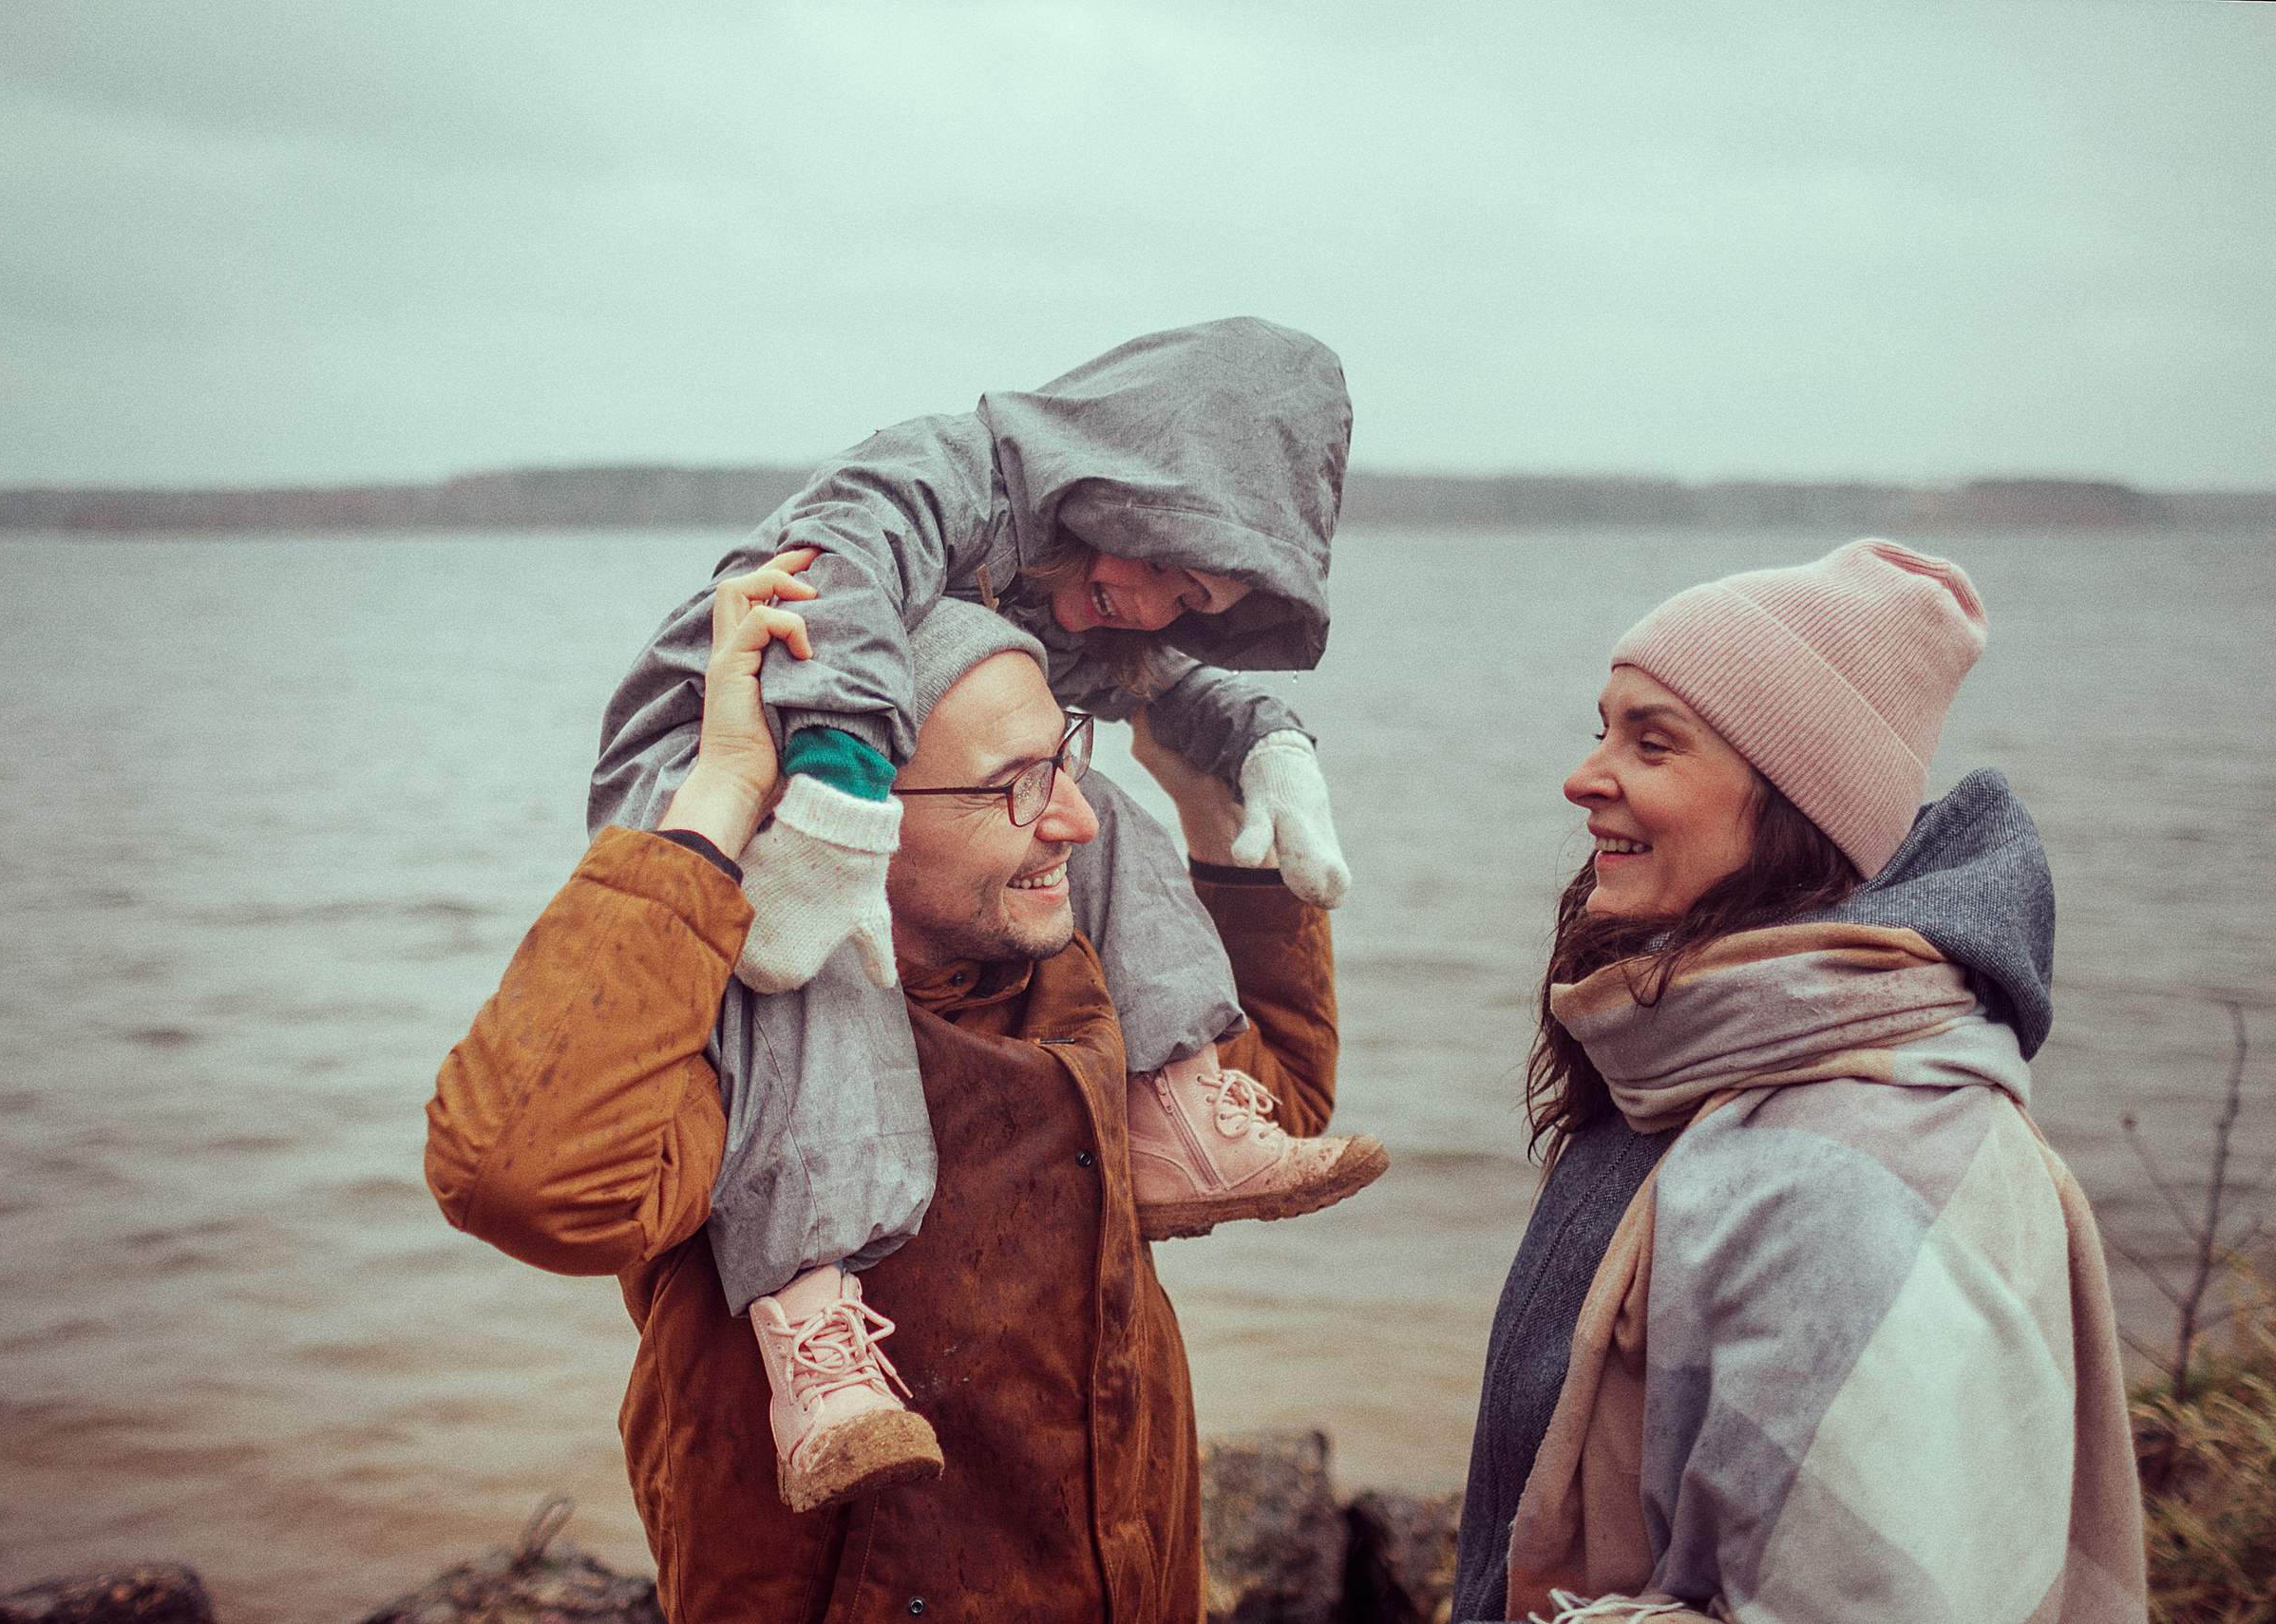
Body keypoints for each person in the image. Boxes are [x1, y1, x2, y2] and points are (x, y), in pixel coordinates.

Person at [426, 559, 1347, 1620]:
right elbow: (522, 1185)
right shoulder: (728, 1043)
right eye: (1014, 785)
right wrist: (720, 796)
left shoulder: (1069, 961)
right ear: (857, 807)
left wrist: (1215, 822)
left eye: (1067, 761)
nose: (1077, 821)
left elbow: (1282, 1110)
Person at [581, 316, 1383, 1510]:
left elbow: (1157, 680)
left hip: (1088, 1499)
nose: (1152, 608)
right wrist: (838, 788)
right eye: (1168, 564)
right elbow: (840, 585)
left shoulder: (1069, 631)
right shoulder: (935, 476)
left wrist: (1262, 749)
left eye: (1191, 600)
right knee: (815, 957)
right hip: (733, 769)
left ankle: (1179, 1106)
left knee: (1106, 811)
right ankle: (808, 1309)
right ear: (1123, 474)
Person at [1449, 540, 2148, 1623]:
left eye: (1652, 742)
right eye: (1602, 730)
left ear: (1795, 804)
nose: (1583, 778)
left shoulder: (1856, 1170)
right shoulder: (1684, 1061)